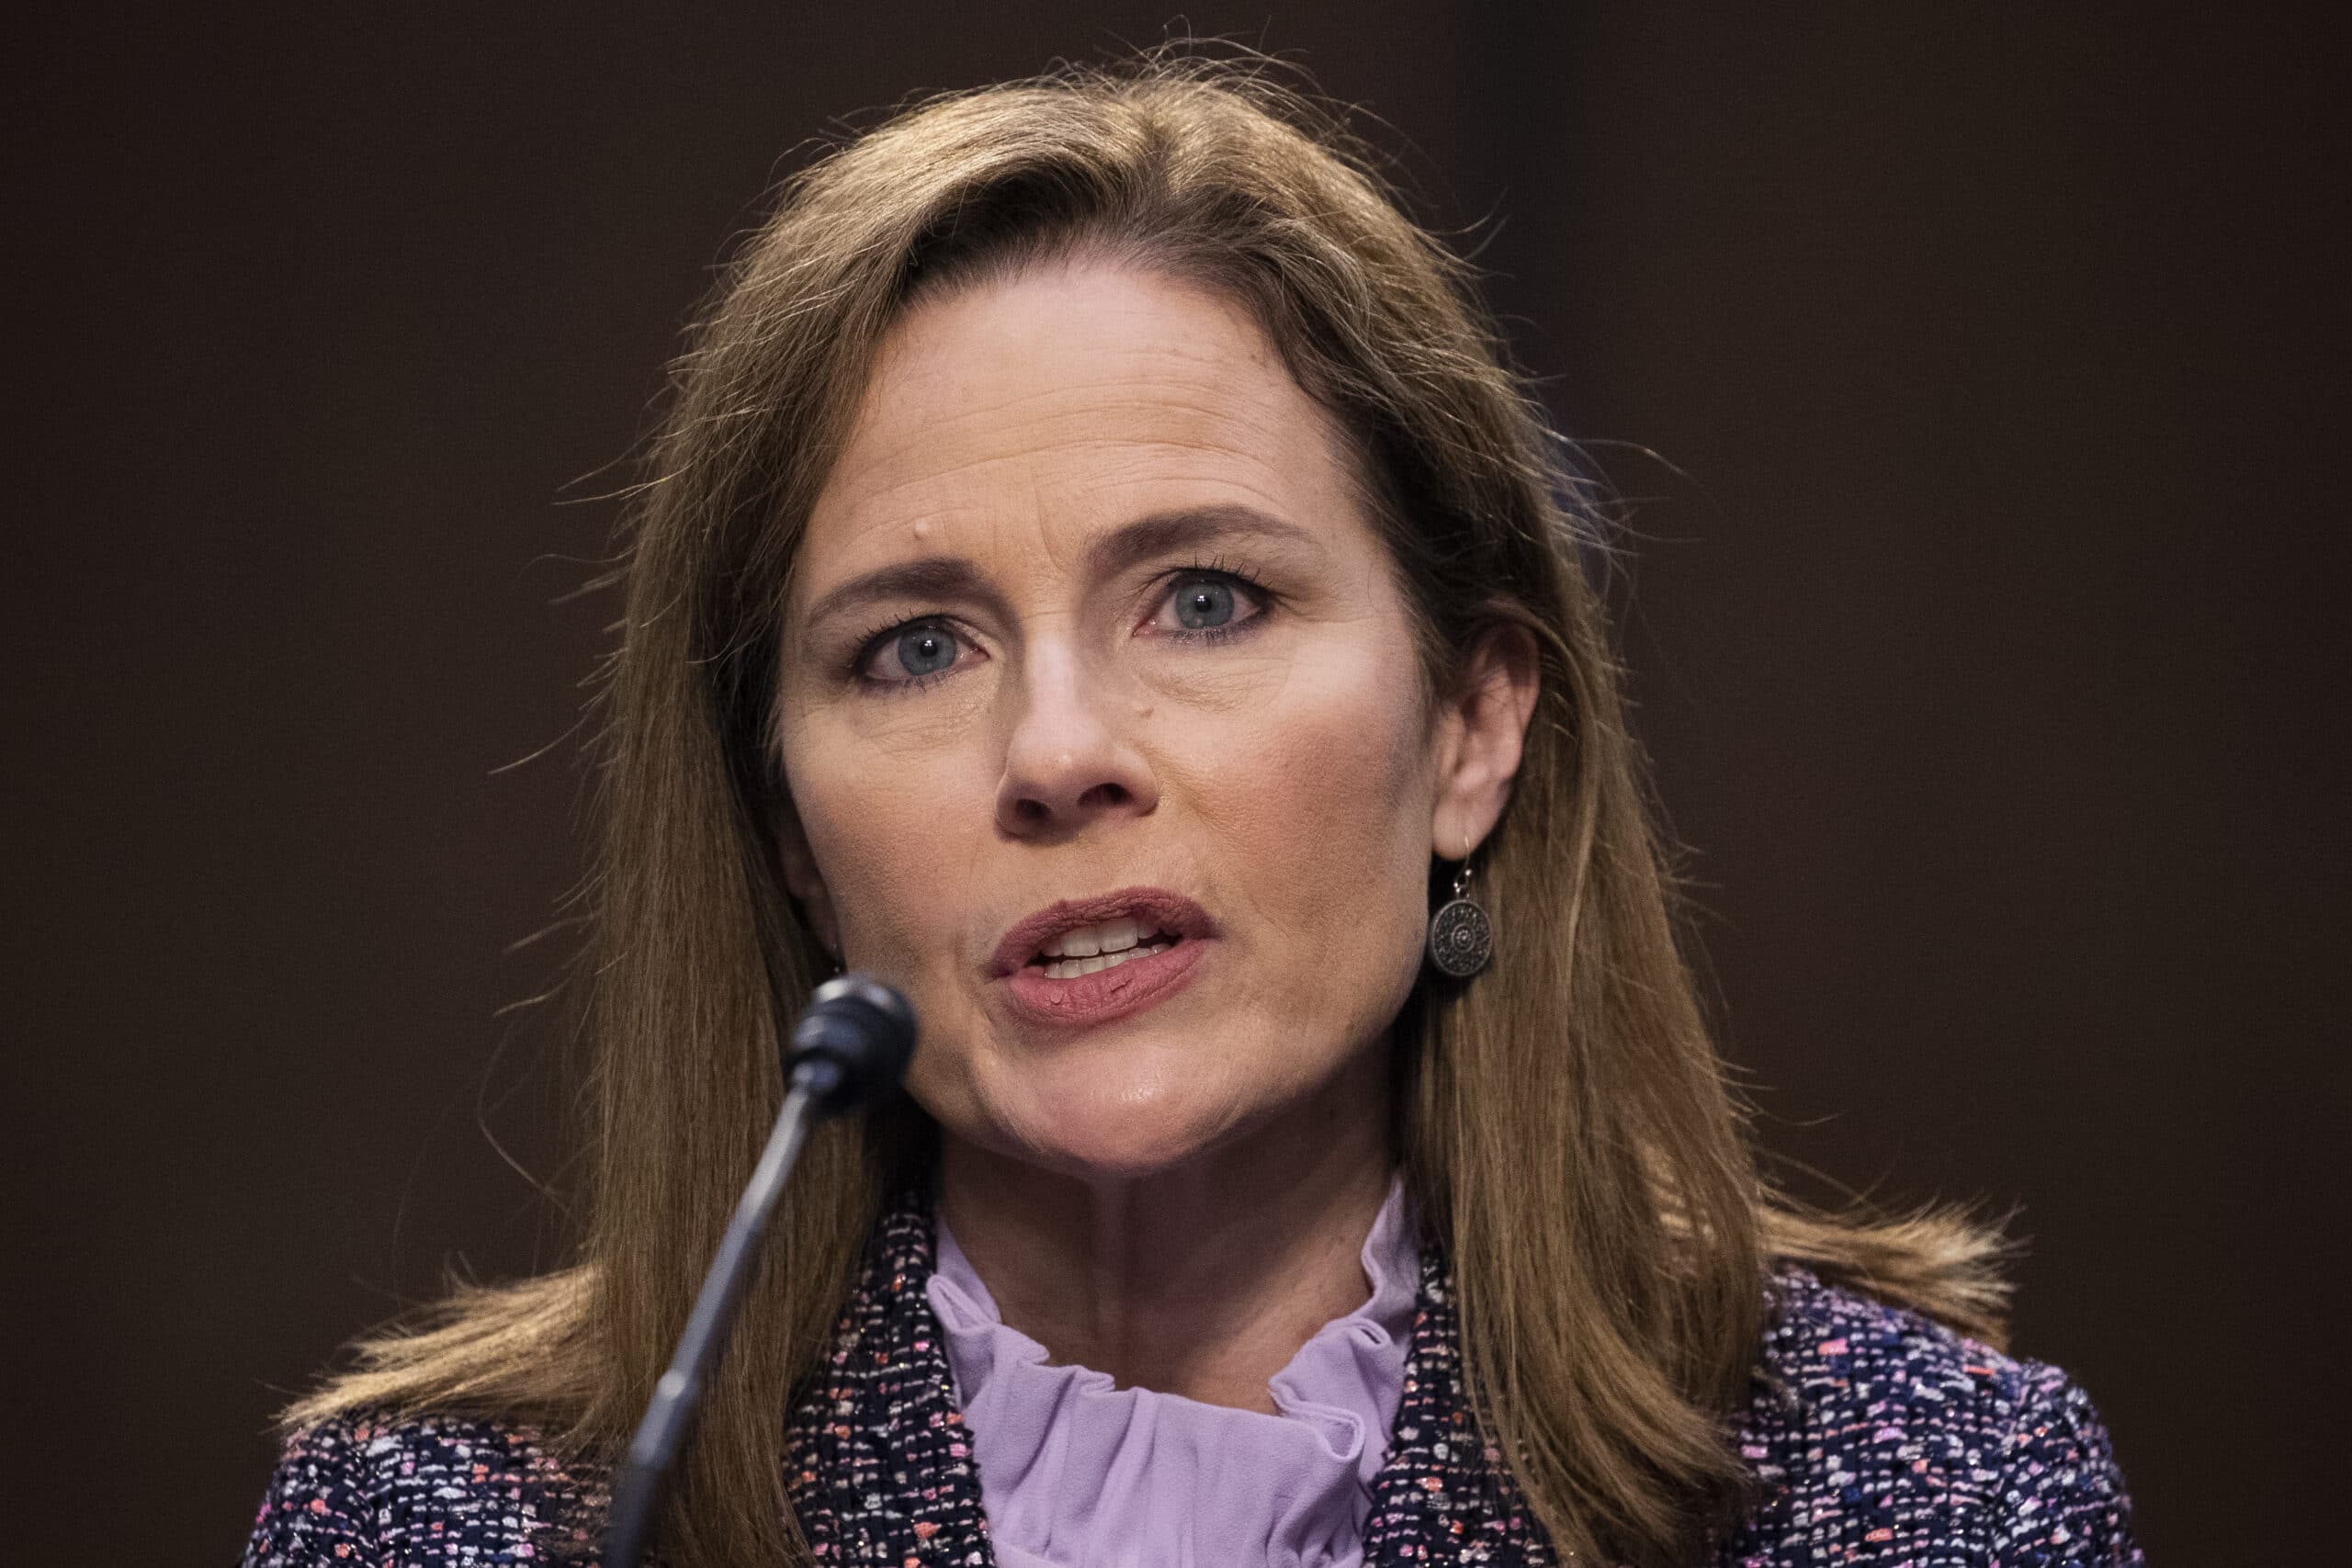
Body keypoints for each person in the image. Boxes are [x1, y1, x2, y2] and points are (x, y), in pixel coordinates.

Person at [242, 56, 2142, 1568]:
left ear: (1472, 724)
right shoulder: (466, 1529)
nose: (1057, 750)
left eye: (1207, 601)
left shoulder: (1903, 1494)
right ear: (793, 837)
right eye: (914, 647)